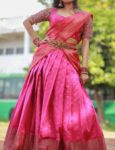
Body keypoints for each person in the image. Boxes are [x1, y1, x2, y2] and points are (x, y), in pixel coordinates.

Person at [3, 0, 107, 149]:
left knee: (79, 105)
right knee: (43, 102)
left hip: (68, 60)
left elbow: (85, 44)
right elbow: (27, 22)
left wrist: (84, 70)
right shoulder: (50, 12)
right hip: (45, 60)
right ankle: (42, 142)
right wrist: (36, 40)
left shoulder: (85, 17)